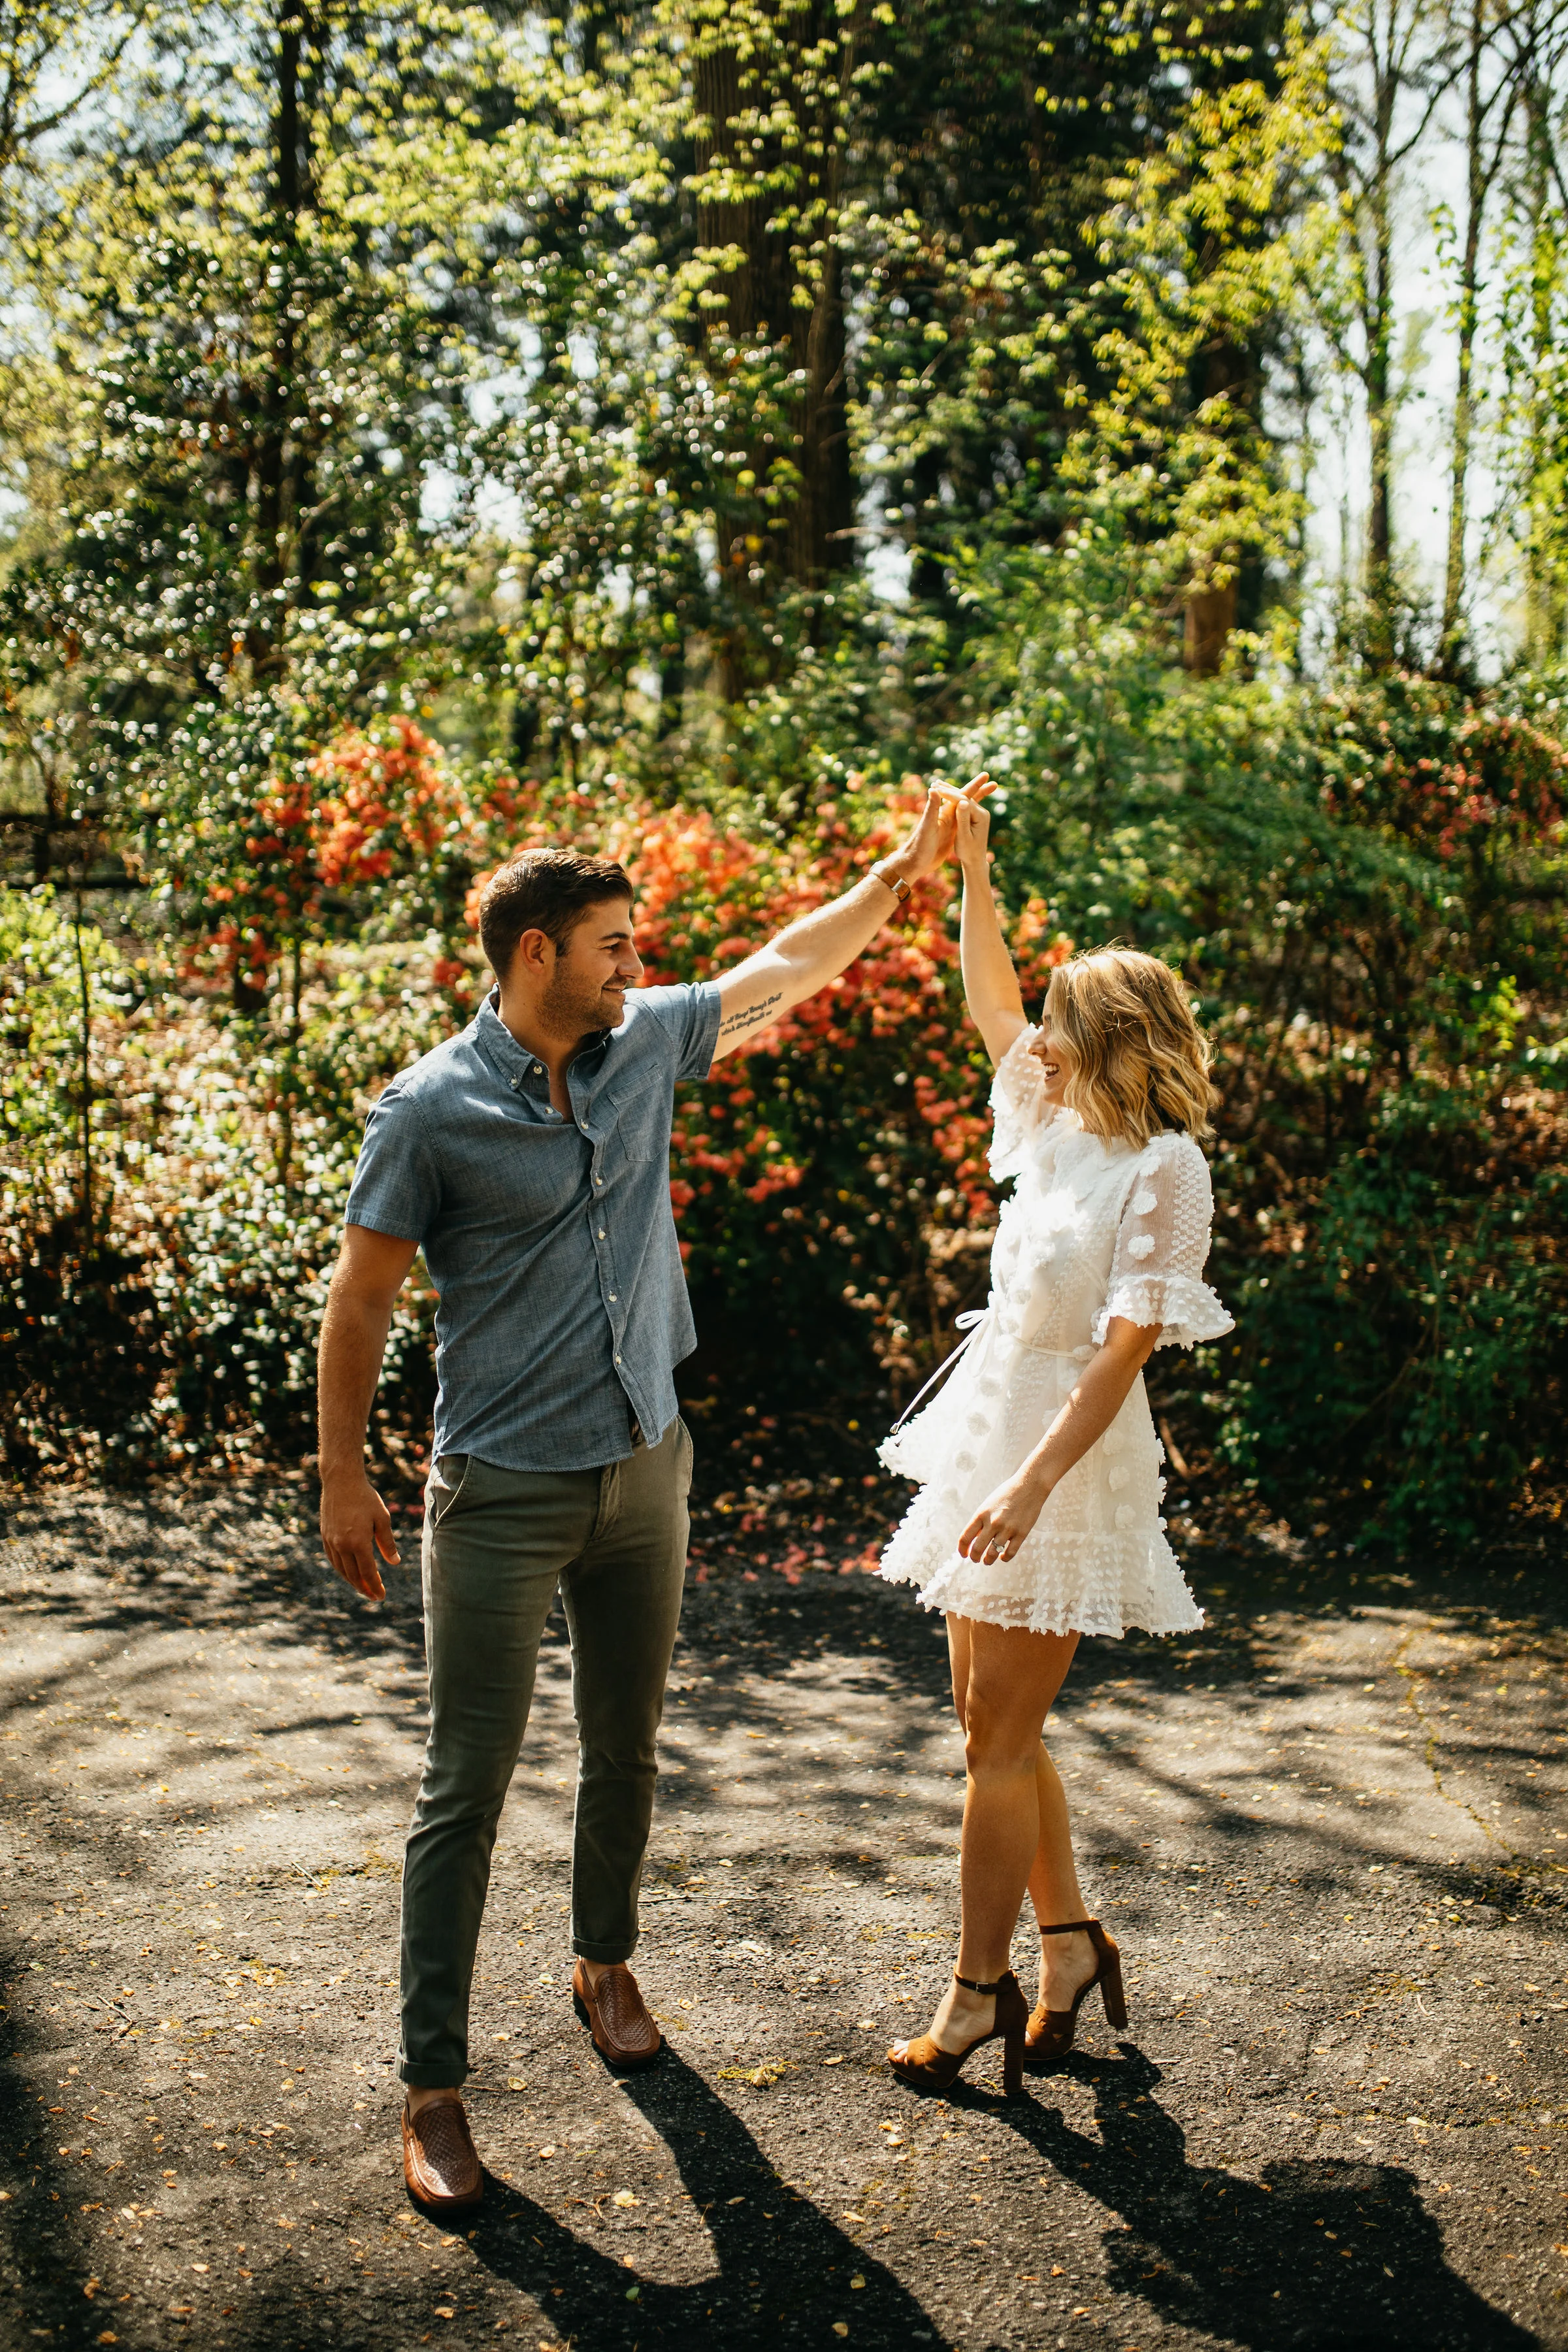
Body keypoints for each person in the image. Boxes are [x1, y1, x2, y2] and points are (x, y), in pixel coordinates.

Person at [316, 785, 975, 2213]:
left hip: (647, 1467)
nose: (637, 963)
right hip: (500, 1488)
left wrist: (898, 872)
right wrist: (345, 1474)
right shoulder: (428, 1111)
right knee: (463, 1788)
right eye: (614, 944)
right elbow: (361, 1297)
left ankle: (603, 1964)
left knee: (628, 1748)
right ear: (536, 952)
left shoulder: (643, 1044)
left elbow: (789, 965)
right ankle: (433, 2089)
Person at [876, 794, 1233, 2094]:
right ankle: (1070, 1943)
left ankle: (978, 1992)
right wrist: (973, 871)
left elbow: (1125, 1351)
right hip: (991, 1432)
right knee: (994, 1727)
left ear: (1111, 1039)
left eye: (1060, 1024)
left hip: (1064, 1464)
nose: (1037, 1040)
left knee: (996, 1741)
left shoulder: (1164, 1171)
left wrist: (1032, 1488)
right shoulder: (1053, 1125)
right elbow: (989, 998)